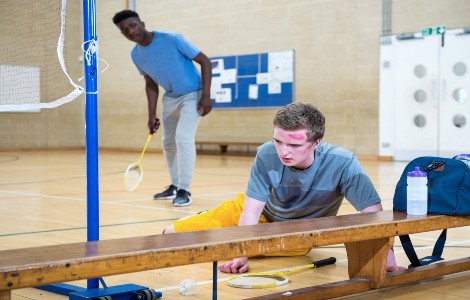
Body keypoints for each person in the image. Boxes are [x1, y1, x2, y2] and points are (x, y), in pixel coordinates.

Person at [163, 102, 404, 273]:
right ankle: (204, 224)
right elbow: (251, 212)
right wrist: (241, 254)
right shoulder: (266, 153)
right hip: (256, 215)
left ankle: (228, 240)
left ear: (316, 142)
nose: (283, 151)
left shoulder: (343, 163)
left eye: (294, 144)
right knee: (172, 237)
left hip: (295, 234)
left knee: (222, 246)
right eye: (278, 141)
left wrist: (388, 260)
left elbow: (374, 214)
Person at [112, 10, 212, 207]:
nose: (131, 31)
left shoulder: (172, 39)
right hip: (170, 98)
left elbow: (205, 61)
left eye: (133, 25)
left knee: (183, 138)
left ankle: (184, 189)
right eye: (125, 31)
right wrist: (151, 114)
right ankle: (174, 186)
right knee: (167, 143)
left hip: (193, 94)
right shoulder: (136, 55)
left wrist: (206, 95)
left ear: (141, 22)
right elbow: (150, 84)